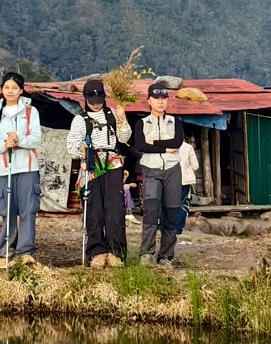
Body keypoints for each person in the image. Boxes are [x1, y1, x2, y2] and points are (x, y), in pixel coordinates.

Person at [66, 79, 132, 268]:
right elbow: (71, 146)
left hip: (112, 163)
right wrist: (81, 149)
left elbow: (125, 138)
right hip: (91, 165)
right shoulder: (80, 120)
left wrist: (123, 118)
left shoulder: (112, 114)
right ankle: (97, 251)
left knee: (114, 209)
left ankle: (115, 252)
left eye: (99, 98)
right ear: (85, 98)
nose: (96, 103)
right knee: (94, 210)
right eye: (92, 99)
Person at [0, 72, 43, 268]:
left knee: (27, 211)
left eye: (14, 88)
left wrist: (19, 140)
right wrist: (4, 144)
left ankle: (25, 252)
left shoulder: (30, 111)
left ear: (21, 90)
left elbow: (36, 137)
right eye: (7, 87)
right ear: (1, 90)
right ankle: (4, 252)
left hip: (27, 167)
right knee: (7, 211)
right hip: (3, 169)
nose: (10, 91)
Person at [132, 81, 184, 266]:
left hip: (172, 170)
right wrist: (164, 147)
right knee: (151, 211)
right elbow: (140, 145)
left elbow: (177, 142)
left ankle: (166, 256)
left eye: (164, 98)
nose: (161, 102)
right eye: (156, 98)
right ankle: (146, 253)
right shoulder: (141, 123)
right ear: (149, 100)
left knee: (171, 213)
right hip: (151, 170)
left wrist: (153, 144)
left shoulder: (175, 122)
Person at [176, 137, 200, 238]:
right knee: (182, 204)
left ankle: (167, 227)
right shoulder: (188, 147)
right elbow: (195, 166)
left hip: (170, 179)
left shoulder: (167, 146)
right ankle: (178, 229)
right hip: (184, 180)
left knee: (169, 203)